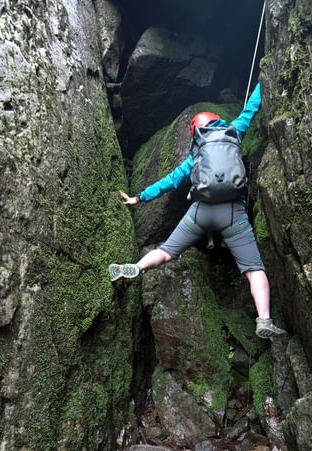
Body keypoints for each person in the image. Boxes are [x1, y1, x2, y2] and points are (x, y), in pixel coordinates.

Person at [109, 83, 285, 339]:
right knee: (253, 269)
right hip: (233, 213)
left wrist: (139, 197)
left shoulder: (195, 156)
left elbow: (169, 181)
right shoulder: (234, 130)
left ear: (195, 133)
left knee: (167, 252)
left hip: (201, 212)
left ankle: (137, 267)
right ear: (217, 122)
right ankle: (264, 321)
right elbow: (253, 104)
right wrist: (262, 76)